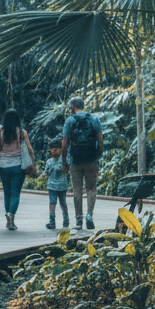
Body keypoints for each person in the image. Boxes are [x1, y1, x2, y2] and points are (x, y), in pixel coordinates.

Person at [0, 109, 35, 231]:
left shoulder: (0, 132)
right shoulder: (21, 132)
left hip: (3, 167)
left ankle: (8, 220)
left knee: (7, 194)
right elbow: (30, 150)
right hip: (18, 167)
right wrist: (33, 164)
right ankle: (11, 216)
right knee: (15, 194)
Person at [61, 96, 103, 230]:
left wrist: (64, 163)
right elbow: (100, 140)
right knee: (91, 189)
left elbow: (64, 144)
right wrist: (98, 156)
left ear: (73, 106)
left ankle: (79, 220)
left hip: (76, 160)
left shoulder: (70, 121)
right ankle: (89, 215)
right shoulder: (94, 119)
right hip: (91, 159)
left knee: (77, 190)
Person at [43, 138, 70, 230]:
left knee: (63, 203)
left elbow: (68, 169)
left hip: (62, 186)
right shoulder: (49, 161)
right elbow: (45, 172)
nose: (54, 151)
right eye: (52, 149)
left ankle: (66, 219)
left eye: (56, 148)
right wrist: (43, 175)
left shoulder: (64, 160)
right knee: (52, 203)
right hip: (51, 186)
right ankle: (52, 221)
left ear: (61, 149)